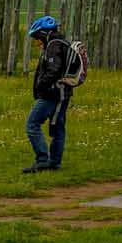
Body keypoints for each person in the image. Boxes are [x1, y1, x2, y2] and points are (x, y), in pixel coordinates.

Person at [22, 16, 82, 173]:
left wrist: (41, 85)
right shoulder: (61, 43)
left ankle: (43, 160)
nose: (37, 42)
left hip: (53, 94)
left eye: (37, 38)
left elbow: (53, 70)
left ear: (44, 34)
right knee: (58, 128)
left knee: (32, 124)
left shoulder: (53, 46)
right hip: (62, 93)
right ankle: (54, 162)